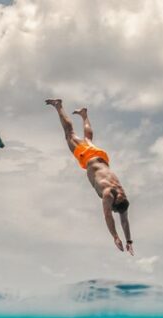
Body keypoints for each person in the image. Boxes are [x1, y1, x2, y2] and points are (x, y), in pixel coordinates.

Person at [45, 99, 133, 254]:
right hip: (88, 157)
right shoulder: (108, 194)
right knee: (69, 134)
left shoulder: (123, 198)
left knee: (88, 139)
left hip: (102, 157)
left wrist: (129, 241)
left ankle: (84, 115)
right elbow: (108, 216)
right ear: (113, 203)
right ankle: (59, 106)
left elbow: (124, 220)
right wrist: (115, 237)